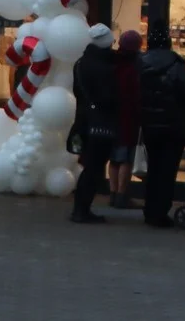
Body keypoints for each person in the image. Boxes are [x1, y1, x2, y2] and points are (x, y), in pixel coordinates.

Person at [138, 18, 185, 228]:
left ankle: (150, 209)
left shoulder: (141, 63)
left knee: (154, 167)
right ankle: (160, 211)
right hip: (174, 124)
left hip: (150, 124)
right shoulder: (177, 65)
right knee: (168, 170)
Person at [69, 24, 119, 223]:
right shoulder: (106, 67)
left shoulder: (81, 63)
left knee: (90, 165)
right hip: (101, 122)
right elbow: (109, 96)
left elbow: (77, 91)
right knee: (95, 167)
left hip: (84, 119)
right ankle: (82, 209)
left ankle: (80, 208)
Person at [109, 29, 143, 209]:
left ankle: (113, 193)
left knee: (114, 158)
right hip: (129, 117)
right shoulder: (136, 65)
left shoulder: (113, 61)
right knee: (126, 159)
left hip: (112, 115)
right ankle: (122, 195)